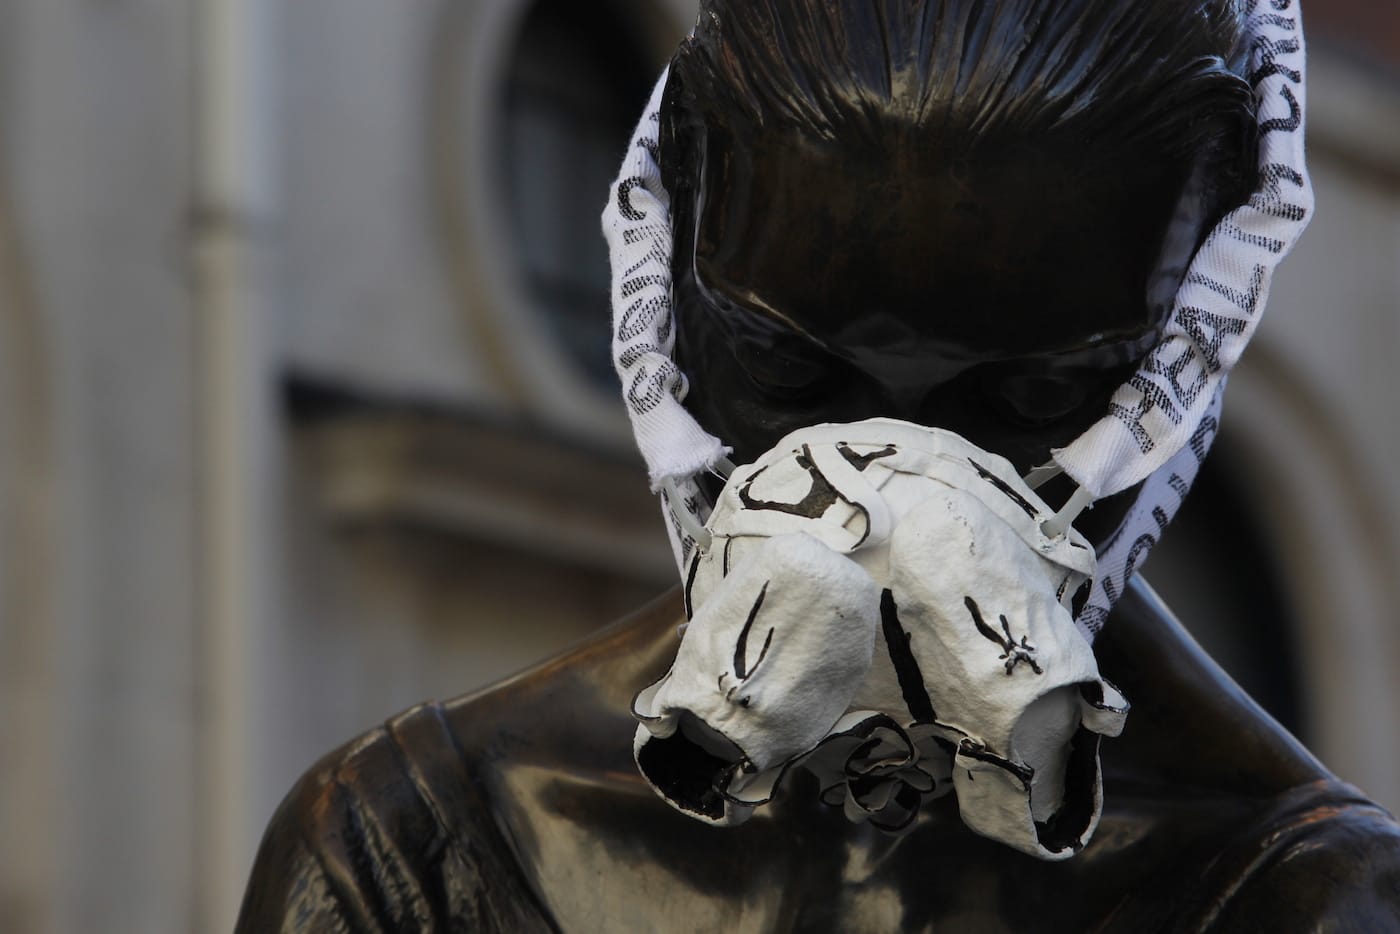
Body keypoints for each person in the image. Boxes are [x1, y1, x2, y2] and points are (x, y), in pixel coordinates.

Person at [236, 1, 1400, 930]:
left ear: (1197, 330)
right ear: (666, 272)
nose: (873, 500)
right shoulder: (408, 861)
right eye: (787, 375)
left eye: (1027, 397)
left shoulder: (1307, 904)